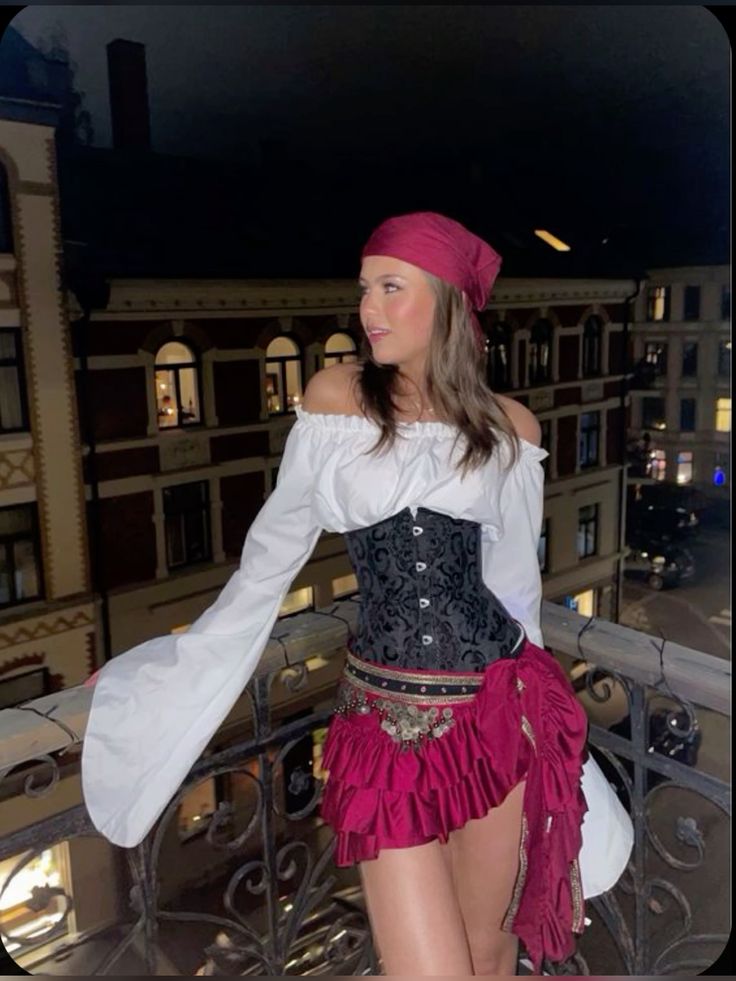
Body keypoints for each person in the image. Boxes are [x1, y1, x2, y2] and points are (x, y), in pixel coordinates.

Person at [82, 212, 632, 976]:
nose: (368, 308)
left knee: (492, 952)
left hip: (501, 718)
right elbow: (268, 563)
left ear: (444, 302)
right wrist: (163, 663)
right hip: (385, 729)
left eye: (390, 287)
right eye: (364, 287)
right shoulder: (338, 401)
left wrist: (563, 753)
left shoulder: (509, 429)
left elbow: (514, 593)